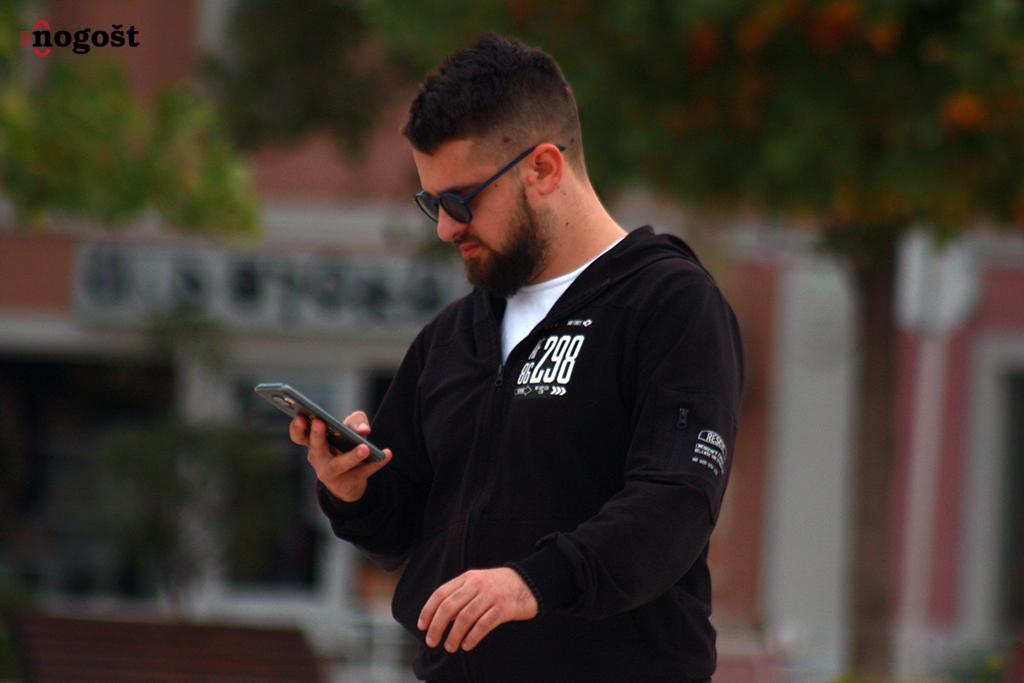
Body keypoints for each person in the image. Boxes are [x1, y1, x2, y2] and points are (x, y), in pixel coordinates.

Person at [291, 33, 744, 683]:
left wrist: (533, 582)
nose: (446, 228)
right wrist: (353, 490)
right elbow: (406, 531)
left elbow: (675, 505)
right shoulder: (453, 335)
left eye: (460, 201)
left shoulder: (670, 304)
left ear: (544, 170)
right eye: (431, 204)